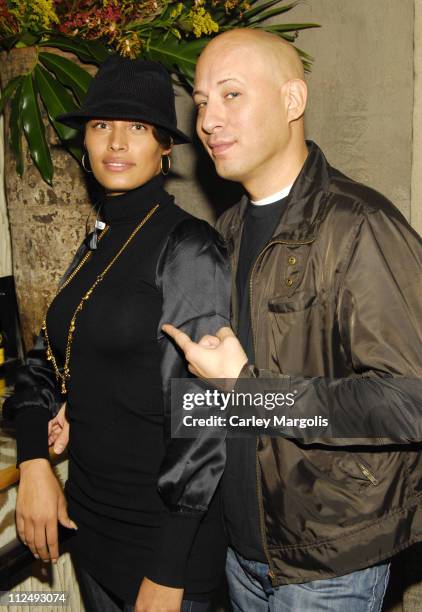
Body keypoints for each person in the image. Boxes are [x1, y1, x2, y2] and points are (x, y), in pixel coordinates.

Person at [162, 28, 422, 611]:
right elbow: (211, 397)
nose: (208, 120)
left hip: (328, 567)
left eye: (231, 95)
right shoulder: (225, 233)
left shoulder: (359, 226)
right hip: (242, 556)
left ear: (291, 102)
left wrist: (246, 391)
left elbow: (411, 399)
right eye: (202, 102)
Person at [4, 56, 230, 612]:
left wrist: (169, 568)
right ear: (85, 140)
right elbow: (45, 359)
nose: (117, 143)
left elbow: (210, 415)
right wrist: (34, 459)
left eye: (138, 128)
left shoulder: (188, 247)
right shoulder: (98, 238)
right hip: (90, 526)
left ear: (165, 148)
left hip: (161, 545)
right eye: (103, 125)